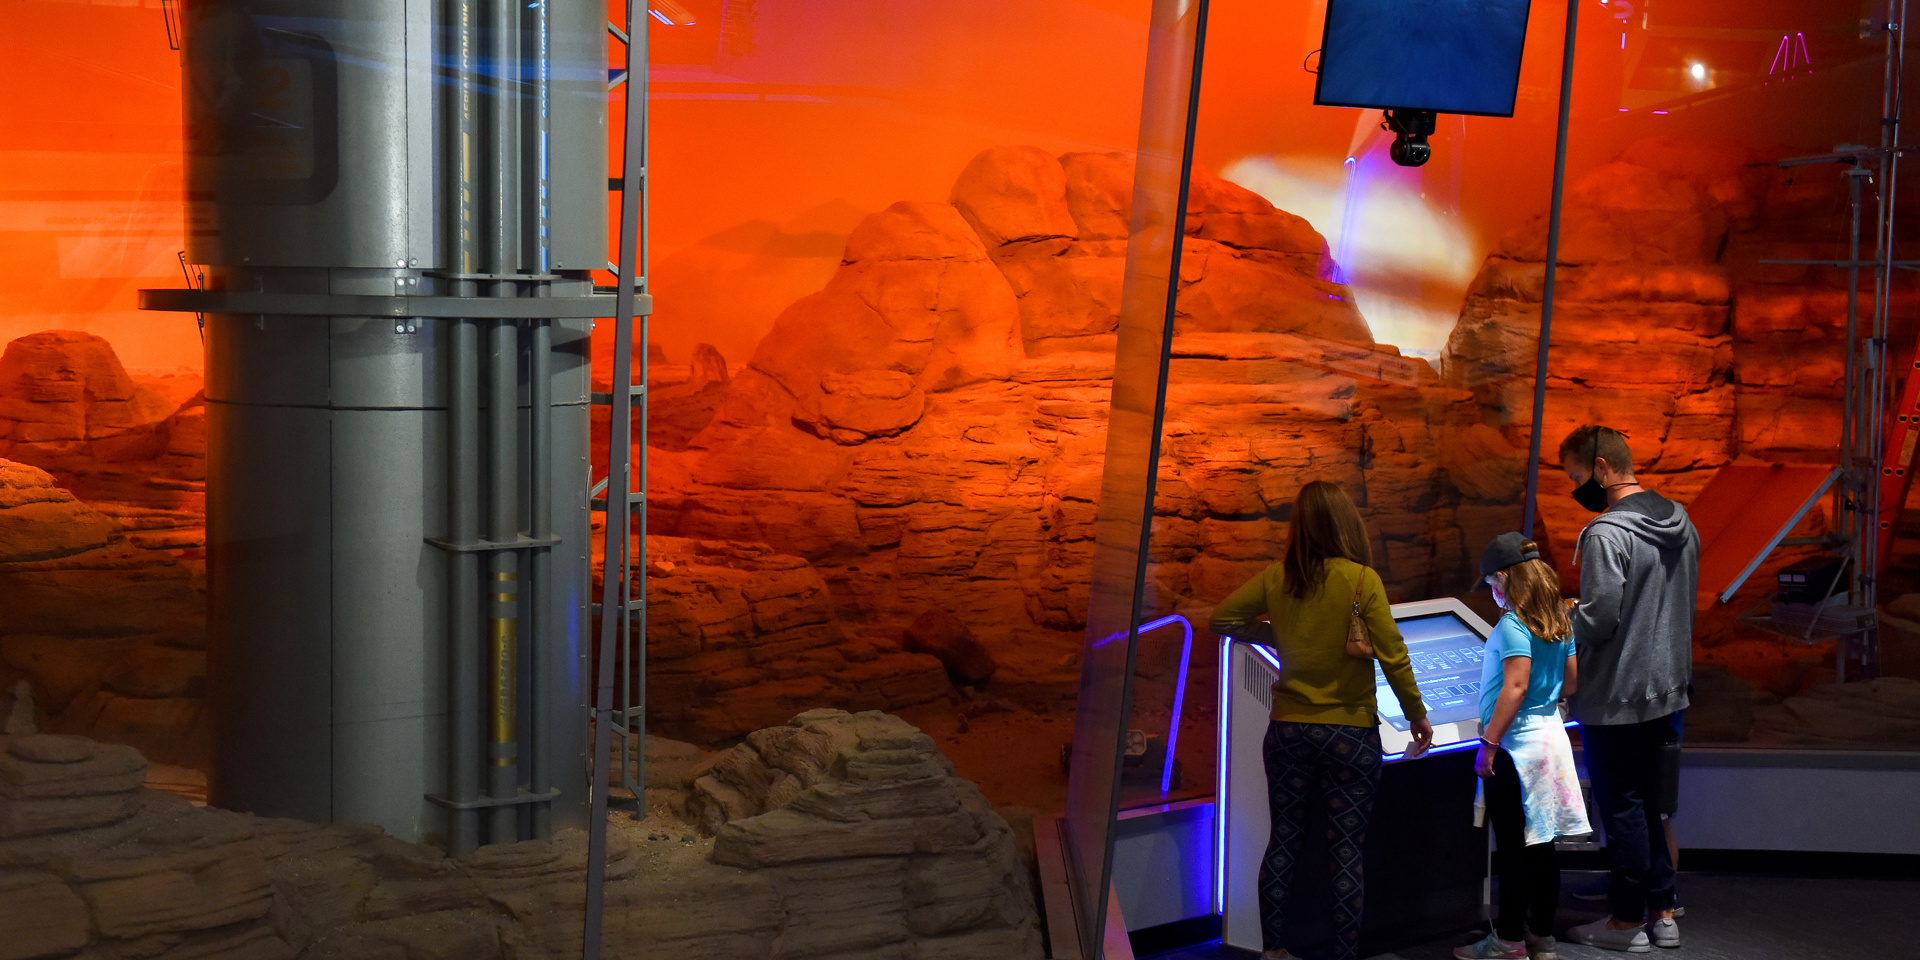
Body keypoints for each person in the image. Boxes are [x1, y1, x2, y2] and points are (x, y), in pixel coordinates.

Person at [1210, 480, 1434, 960]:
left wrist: (1277, 636)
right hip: (1350, 733)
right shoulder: (1360, 580)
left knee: (1284, 840)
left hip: (1289, 729)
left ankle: (1274, 952)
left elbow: (1222, 620)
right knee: (1346, 851)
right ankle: (1344, 955)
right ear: (1345, 522)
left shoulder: (1277, 577)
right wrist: (1417, 716)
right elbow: (1394, 657)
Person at [1557, 425, 1698, 953]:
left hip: (1617, 696)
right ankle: (1663, 915)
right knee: (1653, 810)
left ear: (1601, 468)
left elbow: (1599, 620)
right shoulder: (1683, 522)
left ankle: (1623, 923)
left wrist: (1559, 624)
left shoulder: (1604, 534)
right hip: (1671, 691)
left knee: (1624, 808)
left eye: (1577, 477)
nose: (1577, 488)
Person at [1453, 533, 1591, 960]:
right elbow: (1570, 683)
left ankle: (1508, 940)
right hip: (1551, 740)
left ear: (1502, 578)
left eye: (1492, 585)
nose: (1492, 593)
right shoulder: (1559, 620)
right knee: (1543, 842)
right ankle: (1541, 936)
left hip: (1516, 747)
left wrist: (1489, 744)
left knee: (1513, 846)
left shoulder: (1514, 624)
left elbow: (1514, 686)